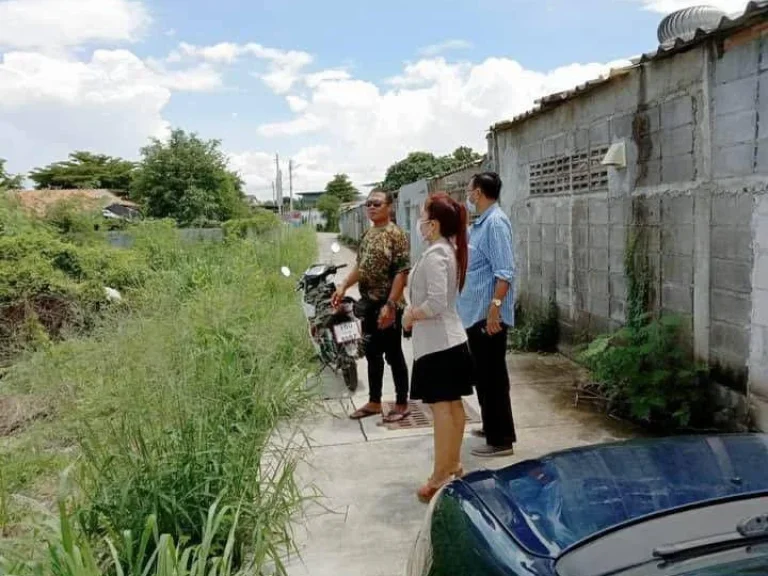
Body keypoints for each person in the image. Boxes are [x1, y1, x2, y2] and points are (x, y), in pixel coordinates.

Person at [404, 193, 474, 503]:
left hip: (438, 345)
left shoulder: (437, 255)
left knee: (443, 411)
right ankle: (453, 464)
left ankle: (439, 475)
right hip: (448, 341)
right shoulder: (447, 250)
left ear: (432, 224)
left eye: (422, 216)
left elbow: (435, 303)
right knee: (452, 407)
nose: (418, 222)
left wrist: (410, 315)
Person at [333, 190, 411, 422]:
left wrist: (390, 305)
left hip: (388, 306)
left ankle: (402, 403)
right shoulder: (368, 234)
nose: (371, 207)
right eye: (368, 204)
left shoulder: (396, 235)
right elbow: (361, 267)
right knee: (372, 354)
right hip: (368, 305)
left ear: (389, 206)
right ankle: (375, 401)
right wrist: (344, 285)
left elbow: (401, 273)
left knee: (394, 355)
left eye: (376, 203)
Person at [457, 171, 517, 457]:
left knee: (492, 376)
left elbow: (504, 272)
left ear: (478, 192)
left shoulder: (495, 223)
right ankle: (492, 425)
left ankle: (501, 439)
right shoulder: (480, 224)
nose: (468, 196)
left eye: (469, 191)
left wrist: (495, 310)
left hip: (487, 316)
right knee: (483, 375)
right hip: (474, 313)